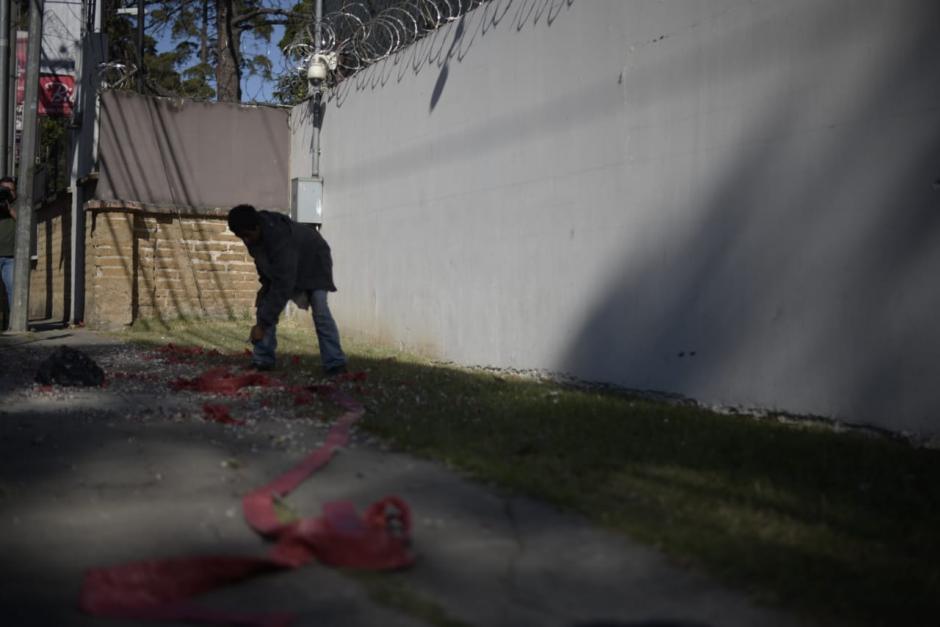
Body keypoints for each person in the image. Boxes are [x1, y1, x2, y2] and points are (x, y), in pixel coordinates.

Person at [227, 204, 348, 376]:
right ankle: (263, 360)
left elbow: (283, 285)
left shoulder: (280, 237)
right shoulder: (252, 235)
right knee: (265, 303)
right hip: (289, 265)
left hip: (315, 260)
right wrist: (265, 287)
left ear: (257, 227)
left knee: (320, 310)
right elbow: (264, 265)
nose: (245, 240)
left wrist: (262, 325)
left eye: (247, 235)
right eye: (241, 237)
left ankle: (335, 363)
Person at [0, 176, 18, 330]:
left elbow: (24, 221)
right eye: (4, 190)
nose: (7, 193)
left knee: (13, 290)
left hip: (11, 257)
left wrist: (9, 209)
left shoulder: (19, 205)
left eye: (10, 190)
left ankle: (15, 323)